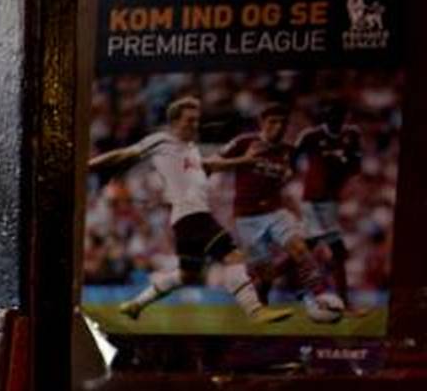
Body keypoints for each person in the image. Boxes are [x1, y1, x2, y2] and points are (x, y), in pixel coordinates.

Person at [88, 94, 265, 323]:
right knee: (233, 256)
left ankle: (136, 304)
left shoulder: (190, 149)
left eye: (197, 120)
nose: (195, 124)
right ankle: (255, 310)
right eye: (189, 120)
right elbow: (125, 154)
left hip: (187, 217)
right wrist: (89, 165)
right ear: (174, 122)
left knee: (187, 275)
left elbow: (210, 165)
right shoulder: (162, 140)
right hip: (193, 215)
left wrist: (244, 162)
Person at [208, 103, 341, 325]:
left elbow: (284, 186)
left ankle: (321, 295)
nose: (278, 127)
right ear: (261, 122)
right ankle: (262, 304)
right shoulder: (244, 142)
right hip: (246, 218)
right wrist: (243, 161)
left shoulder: (288, 152)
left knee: (300, 247)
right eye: (272, 122)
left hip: (275, 212)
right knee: (266, 274)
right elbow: (210, 164)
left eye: (282, 123)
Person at [292, 101, 365, 321]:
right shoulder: (311, 136)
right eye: (330, 116)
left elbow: (355, 167)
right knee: (338, 251)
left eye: (338, 116)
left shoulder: (351, 135)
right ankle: (346, 304)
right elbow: (291, 156)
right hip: (313, 202)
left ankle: (266, 279)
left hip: (330, 202)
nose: (334, 120)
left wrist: (344, 166)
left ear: (345, 117)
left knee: (306, 248)